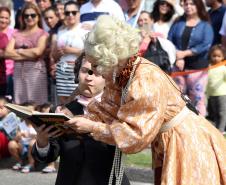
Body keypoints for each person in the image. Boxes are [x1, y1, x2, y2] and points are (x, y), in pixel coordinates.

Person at [64, 15, 226, 185]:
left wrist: (92, 127)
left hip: (188, 141)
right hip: (171, 139)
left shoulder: (145, 79)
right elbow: (108, 108)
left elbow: (135, 136)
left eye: (96, 64)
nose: (95, 69)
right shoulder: (123, 72)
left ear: (110, 58)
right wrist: (76, 116)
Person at [31, 53, 130, 185]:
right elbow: (48, 156)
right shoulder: (60, 111)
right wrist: (42, 141)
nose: (89, 77)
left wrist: (93, 127)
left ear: (108, 79)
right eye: (84, 71)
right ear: (77, 74)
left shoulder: (118, 110)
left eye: (97, 73)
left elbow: (129, 142)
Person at [168, 0, 214, 116]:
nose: (188, 6)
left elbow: (205, 44)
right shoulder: (177, 22)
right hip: (178, 68)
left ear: (198, 6)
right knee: (177, 98)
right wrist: (178, 57)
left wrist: (185, 54)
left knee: (197, 99)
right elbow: (169, 40)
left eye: (192, 4)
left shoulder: (205, 25)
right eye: (186, 4)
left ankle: (200, 127)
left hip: (197, 69)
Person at [4, 2, 49, 105]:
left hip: (36, 73)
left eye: (33, 15)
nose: (29, 18)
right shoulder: (16, 34)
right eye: (26, 15)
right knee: (20, 106)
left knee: (37, 106)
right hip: (19, 74)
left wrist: (18, 51)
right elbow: (7, 53)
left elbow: (38, 52)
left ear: (38, 16)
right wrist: (30, 53)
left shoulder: (43, 33)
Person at [54, 1, 88, 104]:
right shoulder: (61, 30)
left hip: (77, 70)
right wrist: (58, 53)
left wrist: (72, 51)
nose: (70, 15)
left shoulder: (85, 30)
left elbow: (90, 53)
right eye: (67, 13)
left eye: (73, 12)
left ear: (79, 13)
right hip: (62, 69)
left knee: (78, 100)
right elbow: (54, 55)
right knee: (63, 101)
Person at [8, 101, 37, 173]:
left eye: (30, 111)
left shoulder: (37, 124)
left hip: (34, 147)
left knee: (32, 143)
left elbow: (42, 137)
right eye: (25, 112)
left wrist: (34, 136)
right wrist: (19, 135)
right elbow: (15, 138)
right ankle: (20, 162)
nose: (28, 114)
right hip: (23, 147)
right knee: (12, 144)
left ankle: (31, 164)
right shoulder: (20, 124)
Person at [206, 44, 226, 133]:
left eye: (219, 56)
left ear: (223, 57)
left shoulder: (223, 68)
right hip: (211, 94)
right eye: (214, 56)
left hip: (222, 94)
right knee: (214, 113)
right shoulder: (209, 67)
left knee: (222, 113)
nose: (216, 58)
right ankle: (216, 129)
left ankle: (221, 130)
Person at [0, 7, 15, 98]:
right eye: (1, 17)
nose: (4, 20)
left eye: (6, 18)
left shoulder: (14, 32)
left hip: (11, 73)